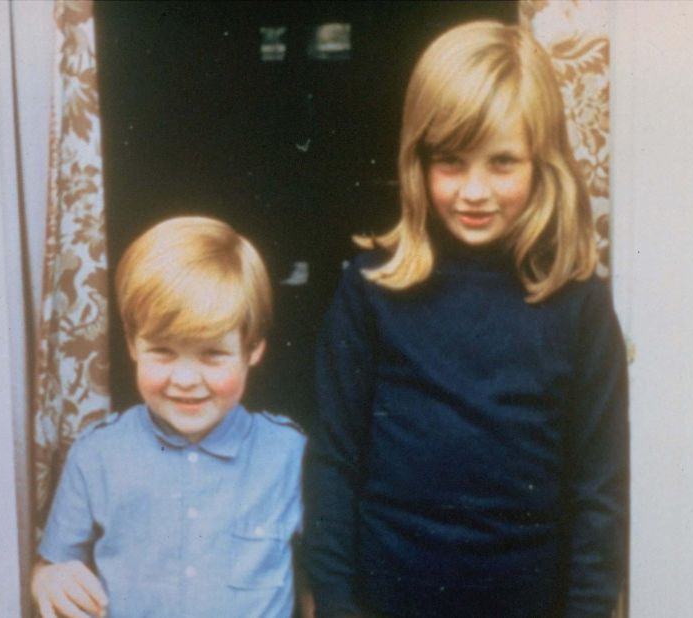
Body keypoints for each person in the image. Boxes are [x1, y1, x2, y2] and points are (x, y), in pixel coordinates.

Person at [302, 20, 628, 618]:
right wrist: (336, 602)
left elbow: (599, 493)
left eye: (502, 163)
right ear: (417, 163)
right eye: (451, 162)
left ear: (542, 164)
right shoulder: (371, 290)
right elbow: (332, 462)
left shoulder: (579, 304)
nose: (474, 191)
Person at [33, 216, 306, 618]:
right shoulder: (96, 455)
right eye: (162, 351)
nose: (185, 380)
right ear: (131, 344)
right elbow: (53, 565)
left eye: (212, 354)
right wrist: (46, 579)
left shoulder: (290, 454)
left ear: (253, 349)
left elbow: (325, 581)